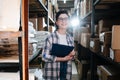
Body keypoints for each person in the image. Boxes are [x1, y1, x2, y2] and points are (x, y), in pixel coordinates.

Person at [42, 10, 75, 80]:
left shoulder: (70, 38)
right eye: (61, 19)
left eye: (66, 19)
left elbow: (72, 57)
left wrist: (73, 54)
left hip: (66, 72)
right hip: (53, 72)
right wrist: (62, 59)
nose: (64, 21)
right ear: (56, 22)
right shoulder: (50, 37)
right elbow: (44, 56)